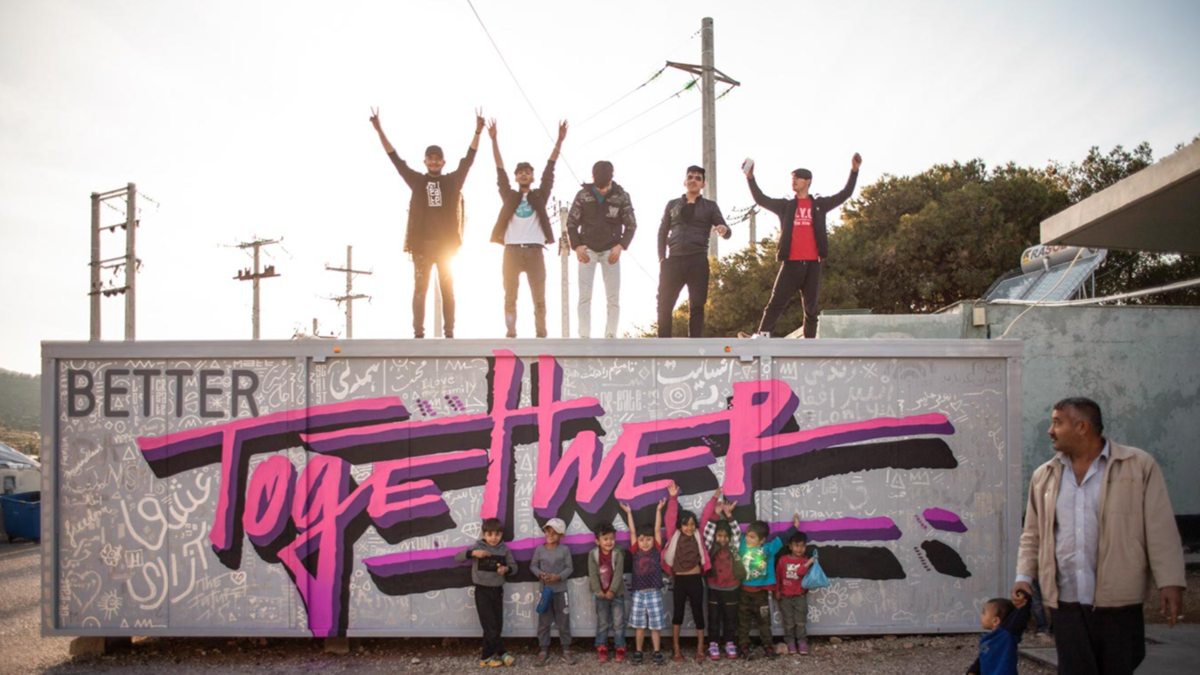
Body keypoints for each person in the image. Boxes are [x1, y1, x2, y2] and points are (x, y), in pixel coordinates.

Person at [1012, 397, 1186, 675]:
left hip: (1119, 599)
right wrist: (1023, 577)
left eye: (1057, 422)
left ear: (1082, 427)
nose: (1050, 430)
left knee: (1119, 666)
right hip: (1066, 600)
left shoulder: (1137, 465)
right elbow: (1032, 534)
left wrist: (1171, 581)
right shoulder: (1045, 475)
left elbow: (1160, 527)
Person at [369, 106, 484, 338]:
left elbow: (468, 160)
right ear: (425, 161)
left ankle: (449, 333)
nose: (434, 162)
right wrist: (380, 130)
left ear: (443, 162)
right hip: (422, 245)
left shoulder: (452, 182)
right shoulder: (417, 181)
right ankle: (418, 334)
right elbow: (395, 159)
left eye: (437, 159)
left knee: (448, 290)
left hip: (446, 247)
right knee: (420, 289)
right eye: (430, 158)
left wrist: (477, 132)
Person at [742, 153, 861, 338]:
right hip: (791, 264)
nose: (794, 181)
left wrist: (854, 171)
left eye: (797, 178)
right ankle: (762, 338)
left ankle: (809, 346)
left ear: (807, 181)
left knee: (811, 310)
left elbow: (845, 194)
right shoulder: (786, 206)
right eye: (792, 178)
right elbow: (761, 199)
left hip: (813, 264)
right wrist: (750, 178)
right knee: (775, 304)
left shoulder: (819, 204)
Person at [486, 119, 568, 338]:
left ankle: (541, 335)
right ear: (516, 177)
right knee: (510, 297)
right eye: (520, 172)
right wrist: (494, 140)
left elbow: (550, 171)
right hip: (511, 251)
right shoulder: (509, 196)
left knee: (539, 298)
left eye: (527, 172)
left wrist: (559, 141)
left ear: (532, 177)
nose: (524, 174)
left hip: (535, 251)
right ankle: (511, 333)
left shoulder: (539, 196)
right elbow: (500, 171)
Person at [655, 166, 730, 338]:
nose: (693, 180)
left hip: (697, 259)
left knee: (697, 304)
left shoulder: (710, 206)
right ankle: (663, 344)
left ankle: (695, 343)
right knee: (664, 304)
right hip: (673, 259)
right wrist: (662, 258)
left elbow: (726, 230)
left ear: (703, 185)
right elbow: (662, 231)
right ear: (685, 182)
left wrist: (724, 229)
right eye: (690, 177)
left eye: (697, 178)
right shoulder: (672, 205)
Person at [566, 161, 637, 338]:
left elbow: (631, 225)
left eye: (605, 186)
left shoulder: (621, 196)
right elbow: (571, 222)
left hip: (611, 251)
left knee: (613, 297)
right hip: (587, 250)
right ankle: (584, 336)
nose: (603, 190)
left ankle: (611, 335)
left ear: (612, 177)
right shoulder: (583, 195)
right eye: (599, 186)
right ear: (593, 178)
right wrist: (577, 246)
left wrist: (620, 246)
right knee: (584, 296)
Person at [453, 517, 518, 667]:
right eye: (490, 534)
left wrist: (506, 569)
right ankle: (502, 653)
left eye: (497, 534)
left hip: (497, 591)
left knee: (496, 625)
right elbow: (457, 558)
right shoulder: (478, 547)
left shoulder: (504, 549)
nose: (493, 538)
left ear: (501, 534)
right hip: (482, 591)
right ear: (484, 535)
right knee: (490, 625)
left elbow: (514, 567)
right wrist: (473, 553)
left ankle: (485, 657)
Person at [737, 514, 800, 660]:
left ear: (762, 540)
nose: (748, 539)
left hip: (761, 595)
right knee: (743, 622)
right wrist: (728, 516)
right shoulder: (742, 546)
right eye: (747, 535)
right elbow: (734, 531)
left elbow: (782, 538)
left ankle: (768, 645)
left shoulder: (768, 549)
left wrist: (795, 527)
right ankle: (744, 646)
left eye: (752, 537)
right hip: (744, 593)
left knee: (764, 622)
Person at [663, 481, 710, 662]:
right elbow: (670, 517)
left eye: (692, 524)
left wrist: (714, 499)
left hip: (696, 580)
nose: (689, 528)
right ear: (680, 526)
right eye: (685, 525)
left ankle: (700, 649)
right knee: (678, 615)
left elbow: (706, 516)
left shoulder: (698, 535)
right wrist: (673, 498)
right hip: (680, 581)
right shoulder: (674, 536)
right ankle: (676, 650)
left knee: (698, 613)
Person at [620, 499, 667, 666]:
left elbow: (657, 529)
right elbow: (632, 531)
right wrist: (629, 513)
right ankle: (638, 651)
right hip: (638, 593)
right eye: (642, 539)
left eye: (648, 539)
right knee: (639, 626)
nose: (645, 542)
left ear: (653, 540)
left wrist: (659, 510)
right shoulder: (635, 550)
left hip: (654, 592)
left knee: (655, 625)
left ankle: (656, 651)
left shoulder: (656, 549)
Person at [703, 493, 743, 661]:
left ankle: (729, 642)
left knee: (730, 618)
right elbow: (707, 533)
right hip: (714, 588)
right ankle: (713, 643)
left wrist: (729, 515)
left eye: (725, 536)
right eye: (719, 536)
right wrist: (716, 514)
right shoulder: (710, 547)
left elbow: (737, 533)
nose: (723, 539)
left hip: (732, 588)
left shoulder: (733, 547)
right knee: (713, 618)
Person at [530, 517, 575, 666]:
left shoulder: (564, 550)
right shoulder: (539, 550)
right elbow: (533, 566)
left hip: (561, 590)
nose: (550, 535)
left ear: (561, 535)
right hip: (545, 591)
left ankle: (566, 649)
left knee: (563, 620)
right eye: (548, 531)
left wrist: (558, 577)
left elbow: (569, 568)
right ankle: (543, 650)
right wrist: (541, 574)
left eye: (554, 533)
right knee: (544, 620)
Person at [587, 522, 628, 663]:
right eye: (605, 539)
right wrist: (598, 591)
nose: (609, 542)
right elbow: (593, 574)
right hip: (601, 595)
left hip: (616, 594)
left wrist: (612, 590)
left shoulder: (618, 554)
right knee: (603, 622)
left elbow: (618, 574)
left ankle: (620, 647)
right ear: (597, 541)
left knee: (618, 623)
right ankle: (601, 647)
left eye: (612, 538)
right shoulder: (593, 554)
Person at [967, 592, 1032, 675]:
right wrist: (973, 671)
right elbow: (983, 658)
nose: (981, 615)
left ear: (995, 621)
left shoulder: (1007, 636)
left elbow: (1020, 617)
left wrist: (1023, 596)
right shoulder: (987, 638)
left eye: (983, 612)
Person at [774, 532, 816, 655]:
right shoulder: (783, 560)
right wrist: (777, 590)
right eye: (796, 545)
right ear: (790, 546)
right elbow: (778, 576)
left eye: (802, 546)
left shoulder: (804, 561)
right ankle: (790, 642)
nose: (799, 549)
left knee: (800, 621)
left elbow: (801, 572)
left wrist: (809, 562)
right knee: (789, 622)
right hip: (785, 597)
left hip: (799, 596)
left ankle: (802, 642)